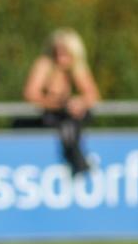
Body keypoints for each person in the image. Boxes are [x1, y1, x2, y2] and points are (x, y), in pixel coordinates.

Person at [23, 28, 101, 175]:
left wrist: (79, 102)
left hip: (68, 118)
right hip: (46, 117)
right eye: (57, 52)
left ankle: (77, 160)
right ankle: (78, 161)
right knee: (68, 122)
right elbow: (30, 93)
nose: (60, 58)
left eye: (65, 53)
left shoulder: (76, 67)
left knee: (73, 120)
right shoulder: (45, 64)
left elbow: (92, 94)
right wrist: (56, 103)